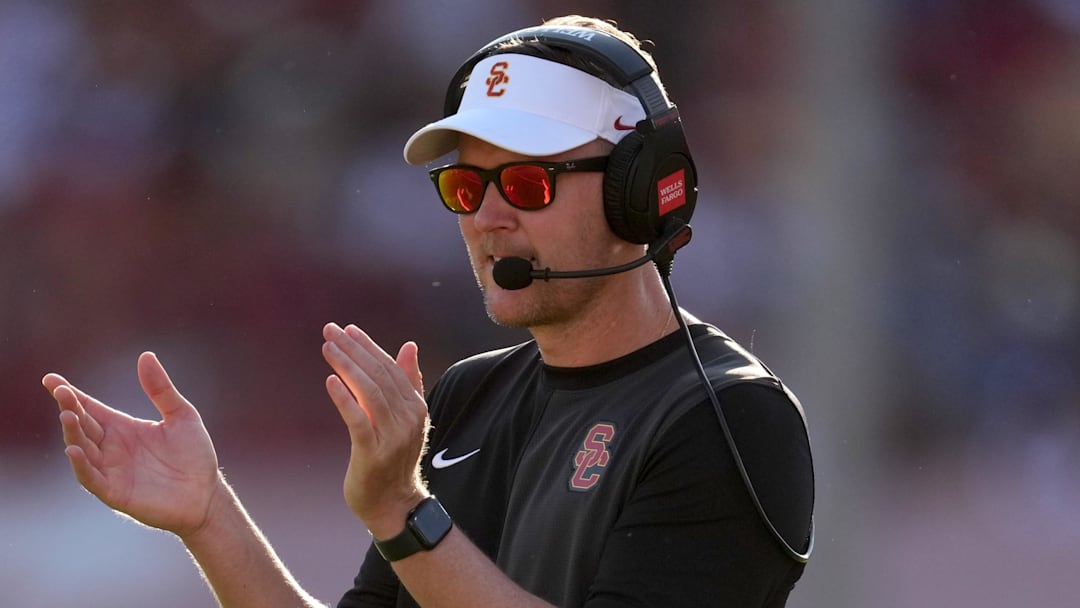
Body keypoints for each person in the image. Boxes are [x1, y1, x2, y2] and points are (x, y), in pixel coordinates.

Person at [43, 15, 814, 608]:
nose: (488, 219)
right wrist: (209, 517)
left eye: (528, 185)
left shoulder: (732, 418)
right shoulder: (467, 397)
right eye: (467, 189)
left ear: (637, 190)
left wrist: (405, 513)